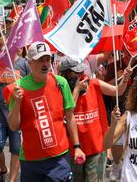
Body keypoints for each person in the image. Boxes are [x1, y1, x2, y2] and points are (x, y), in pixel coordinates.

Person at [6, 41, 85, 181]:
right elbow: (13, 126)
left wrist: (77, 146)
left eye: (48, 59)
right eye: (40, 60)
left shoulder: (60, 82)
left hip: (58, 158)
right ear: (30, 63)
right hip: (31, 160)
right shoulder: (18, 88)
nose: (45, 64)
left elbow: (70, 116)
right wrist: (18, 102)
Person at [58, 57, 132, 182]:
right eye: (76, 73)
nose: (81, 76)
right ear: (65, 74)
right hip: (73, 149)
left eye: (81, 72)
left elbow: (118, 91)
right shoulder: (60, 90)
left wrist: (125, 79)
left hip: (96, 147)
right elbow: (69, 112)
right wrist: (76, 89)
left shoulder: (93, 83)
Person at [0, 38, 30, 182]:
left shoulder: (24, 63)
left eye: (5, 45)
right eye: (0, 46)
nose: (3, 49)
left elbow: (31, 85)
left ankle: (11, 179)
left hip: (17, 113)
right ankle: (3, 169)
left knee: (16, 149)